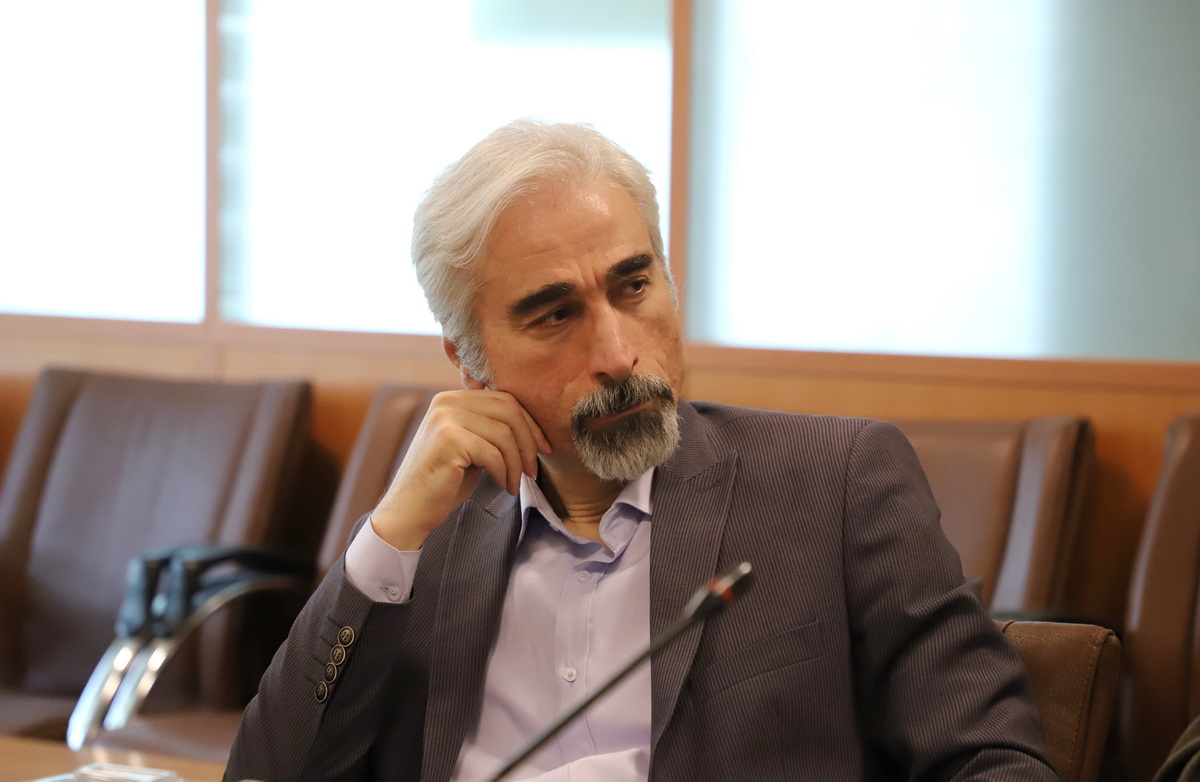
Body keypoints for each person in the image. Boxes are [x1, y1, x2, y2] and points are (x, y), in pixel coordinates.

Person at [225, 120, 1058, 781]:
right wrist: (385, 542)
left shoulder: (836, 485)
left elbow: (993, 761)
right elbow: (271, 773)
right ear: (469, 361)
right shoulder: (425, 542)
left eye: (633, 285)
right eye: (555, 314)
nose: (620, 354)